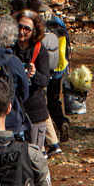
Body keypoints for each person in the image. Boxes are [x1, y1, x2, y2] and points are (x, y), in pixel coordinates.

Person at [14, 10, 61, 153]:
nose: (21, 31)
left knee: (34, 154)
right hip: (14, 109)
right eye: (19, 26)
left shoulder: (40, 50)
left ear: (34, 31)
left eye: (26, 29)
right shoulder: (9, 48)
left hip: (34, 109)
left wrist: (33, 75)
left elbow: (45, 80)